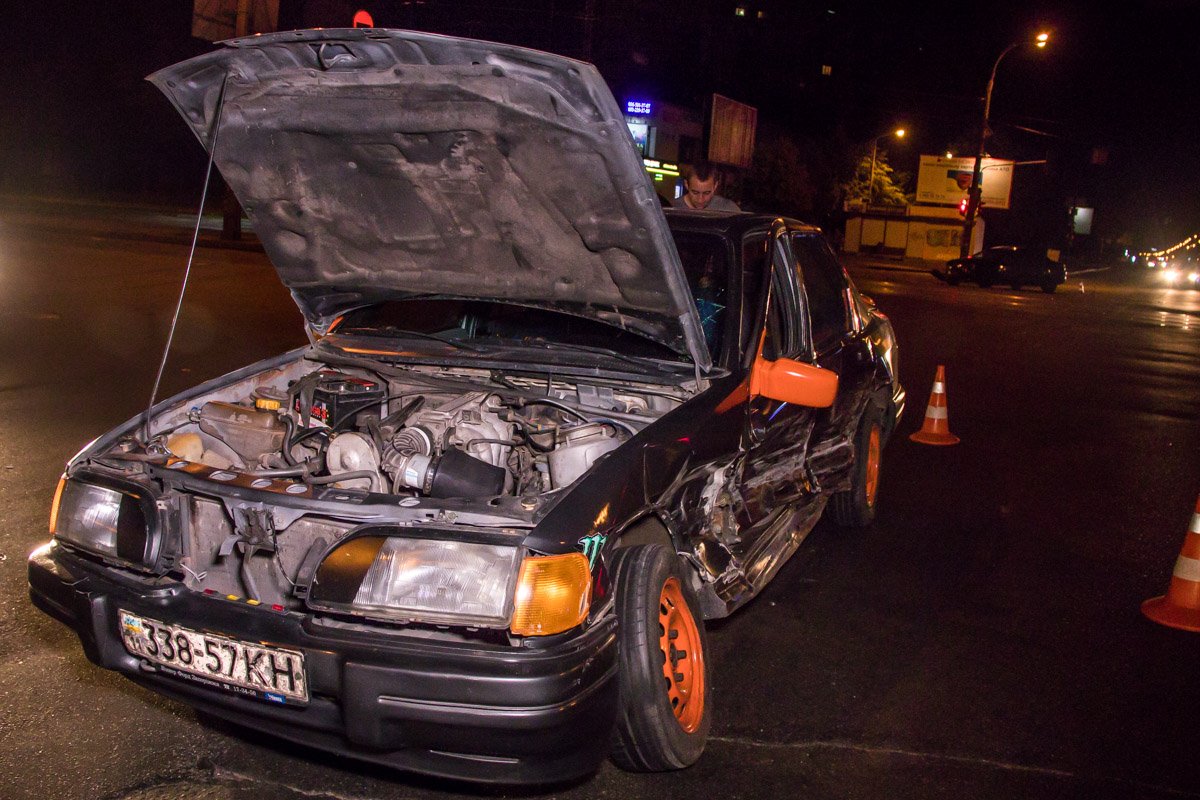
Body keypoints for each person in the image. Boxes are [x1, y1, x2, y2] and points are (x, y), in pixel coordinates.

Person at [673, 162, 740, 211]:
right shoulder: (672, 209)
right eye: (695, 192)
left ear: (715, 186)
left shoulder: (729, 210)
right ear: (686, 185)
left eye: (706, 193)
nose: (700, 200)